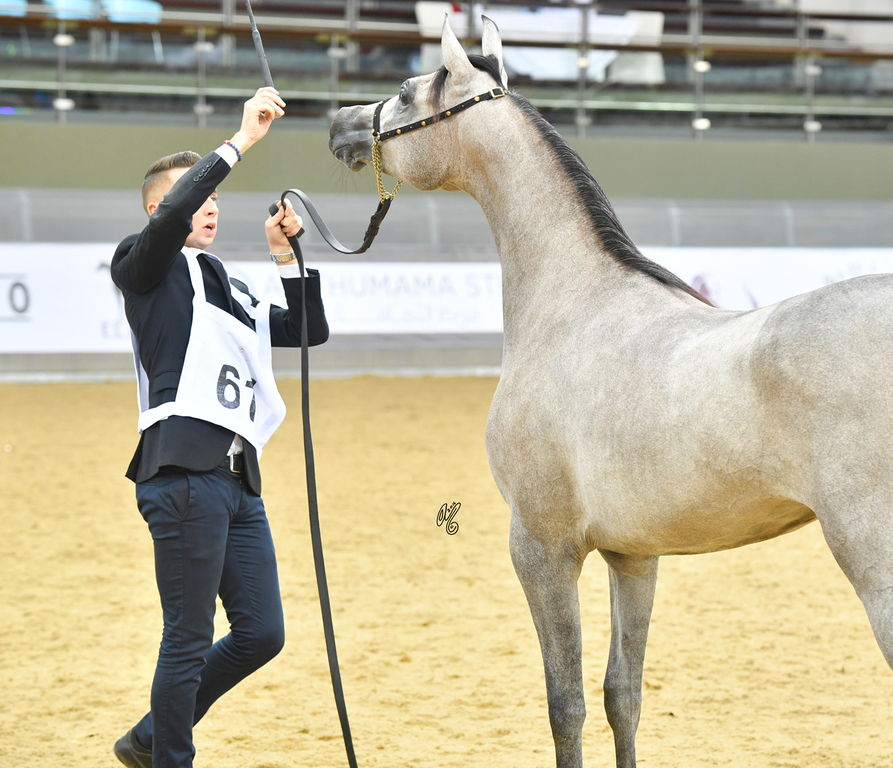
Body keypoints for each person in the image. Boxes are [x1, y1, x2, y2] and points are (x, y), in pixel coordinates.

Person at [110, 86, 329, 768]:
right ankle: (170, 758)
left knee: (262, 632)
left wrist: (284, 256)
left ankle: (149, 736)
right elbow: (174, 212)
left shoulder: (226, 284)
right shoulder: (142, 266)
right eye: (193, 197)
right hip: (180, 470)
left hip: (237, 479)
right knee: (187, 633)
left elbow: (305, 331)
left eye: (212, 199)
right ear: (159, 212)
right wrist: (239, 141)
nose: (208, 205)